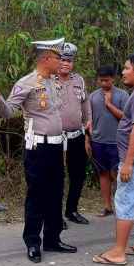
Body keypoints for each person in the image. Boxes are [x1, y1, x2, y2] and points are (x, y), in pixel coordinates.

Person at [0, 38, 76, 263]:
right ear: (46, 58)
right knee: (37, 196)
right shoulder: (26, 83)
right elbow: (8, 111)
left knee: (56, 193)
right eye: (59, 57)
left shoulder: (55, 81)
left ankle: (52, 238)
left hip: (57, 146)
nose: (62, 61)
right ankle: (33, 242)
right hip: (37, 148)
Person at [93, 54, 134, 265]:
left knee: (124, 202)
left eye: (126, 68)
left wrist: (129, 163)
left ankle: (118, 252)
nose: (122, 72)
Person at [55, 42, 91, 225]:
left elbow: (85, 103)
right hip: (56, 137)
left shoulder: (79, 80)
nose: (65, 63)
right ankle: (55, 216)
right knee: (57, 176)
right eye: (62, 59)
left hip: (76, 135)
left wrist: (88, 123)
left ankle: (72, 210)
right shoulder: (48, 80)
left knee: (78, 174)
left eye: (69, 60)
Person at [87, 65, 129, 217]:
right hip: (98, 141)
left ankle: (122, 206)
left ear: (113, 79)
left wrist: (109, 105)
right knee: (103, 173)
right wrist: (87, 139)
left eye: (107, 80)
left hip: (117, 141)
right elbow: (88, 119)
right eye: (101, 80)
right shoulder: (92, 96)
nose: (104, 83)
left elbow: (126, 117)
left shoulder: (122, 95)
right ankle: (107, 206)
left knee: (117, 174)